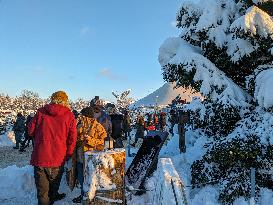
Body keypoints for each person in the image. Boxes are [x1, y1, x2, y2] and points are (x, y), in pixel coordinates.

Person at [28, 91, 77, 205]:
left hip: (40, 156)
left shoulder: (41, 112)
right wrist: (68, 154)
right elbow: (72, 138)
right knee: (53, 190)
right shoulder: (69, 115)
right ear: (65, 101)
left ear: (52, 99)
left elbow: (30, 131)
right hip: (58, 158)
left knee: (42, 192)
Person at [72, 107, 107, 203]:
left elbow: (103, 144)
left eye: (82, 115)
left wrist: (90, 140)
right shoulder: (79, 125)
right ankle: (83, 195)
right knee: (81, 179)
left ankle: (90, 197)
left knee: (90, 180)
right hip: (79, 158)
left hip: (90, 159)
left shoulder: (98, 127)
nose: (81, 117)